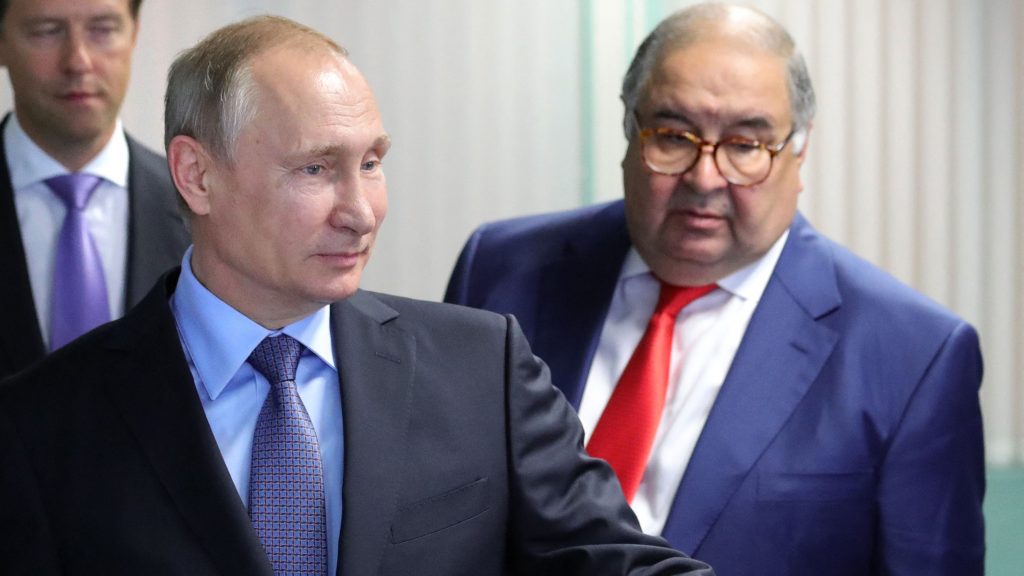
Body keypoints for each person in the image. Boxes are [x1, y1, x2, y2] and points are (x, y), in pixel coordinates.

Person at [0, 15, 714, 576]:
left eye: (371, 163)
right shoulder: (42, 425)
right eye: (315, 169)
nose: (361, 212)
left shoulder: (483, 369)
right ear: (197, 175)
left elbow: (616, 562)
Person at [446, 4, 984, 575]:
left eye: (746, 145)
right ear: (629, 130)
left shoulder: (914, 356)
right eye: (672, 137)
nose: (705, 178)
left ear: (799, 150)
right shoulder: (500, 269)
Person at [0, 0, 188, 379]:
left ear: (133, 34)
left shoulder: (203, 214)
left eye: (102, 29)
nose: (78, 61)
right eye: (46, 31)